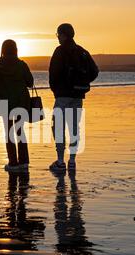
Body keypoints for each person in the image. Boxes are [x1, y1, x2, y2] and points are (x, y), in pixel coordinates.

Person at [49, 23, 99, 172]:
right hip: (78, 95)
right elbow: (95, 71)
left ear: (64, 35)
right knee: (74, 129)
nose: (58, 37)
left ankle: (60, 161)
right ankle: (71, 161)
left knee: (58, 127)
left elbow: (53, 74)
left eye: (58, 34)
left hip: (63, 96)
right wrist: (82, 82)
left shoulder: (59, 51)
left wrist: (56, 90)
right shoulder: (82, 51)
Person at [0, 40, 34, 173]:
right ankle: (23, 162)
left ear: (3, 50)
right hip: (21, 102)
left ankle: (13, 162)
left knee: (9, 132)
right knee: (20, 131)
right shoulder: (21, 65)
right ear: (16, 49)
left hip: (5, 103)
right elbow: (30, 82)